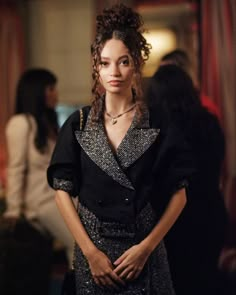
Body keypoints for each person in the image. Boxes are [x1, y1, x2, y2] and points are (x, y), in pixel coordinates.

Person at [47, 4, 195, 294]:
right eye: (105, 63)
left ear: (137, 64)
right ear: (96, 67)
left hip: (144, 250)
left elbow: (180, 195)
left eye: (123, 61)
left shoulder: (158, 122)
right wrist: (90, 253)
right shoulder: (78, 124)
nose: (114, 71)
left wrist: (146, 248)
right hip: (94, 254)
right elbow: (61, 192)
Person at [147, 64, 228, 295]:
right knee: (205, 281)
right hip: (211, 211)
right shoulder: (209, 123)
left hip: (173, 219)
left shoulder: (157, 130)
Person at [4, 69, 74, 267]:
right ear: (36, 91)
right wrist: (13, 209)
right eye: (50, 88)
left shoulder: (47, 124)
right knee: (80, 244)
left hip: (59, 197)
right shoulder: (21, 123)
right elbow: (15, 168)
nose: (55, 93)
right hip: (40, 204)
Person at [159, 48, 222, 120]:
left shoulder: (206, 107)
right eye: (161, 72)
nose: (162, 78)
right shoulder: (162, 106)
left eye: (168, 72)